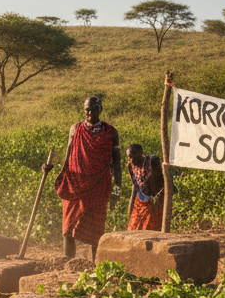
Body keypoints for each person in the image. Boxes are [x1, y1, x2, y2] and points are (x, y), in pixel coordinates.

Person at [46, 95, 121, 258]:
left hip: (99, 185)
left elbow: (117, 163)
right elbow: (69, 156)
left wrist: (118, 189)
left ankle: (96, 266)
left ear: (100, 110)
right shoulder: (75, 129)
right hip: (75, 184)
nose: (90, 113)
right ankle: (68, 263)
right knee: (68, 228)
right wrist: (57, 173)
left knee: (97, 231)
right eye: (87, 110)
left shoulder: (111, 132)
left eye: (94, 109)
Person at [125, 144, 165, 232]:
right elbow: (135, 185)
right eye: (129, 158)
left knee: (150, 225)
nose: (131, 160)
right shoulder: (130, 166)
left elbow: (158, 180)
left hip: (157, 195)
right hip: (142, 197)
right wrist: (131, 204)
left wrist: (155, 199)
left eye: (133, 156)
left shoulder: (152, 161)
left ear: (141, 153)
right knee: (133, 226)